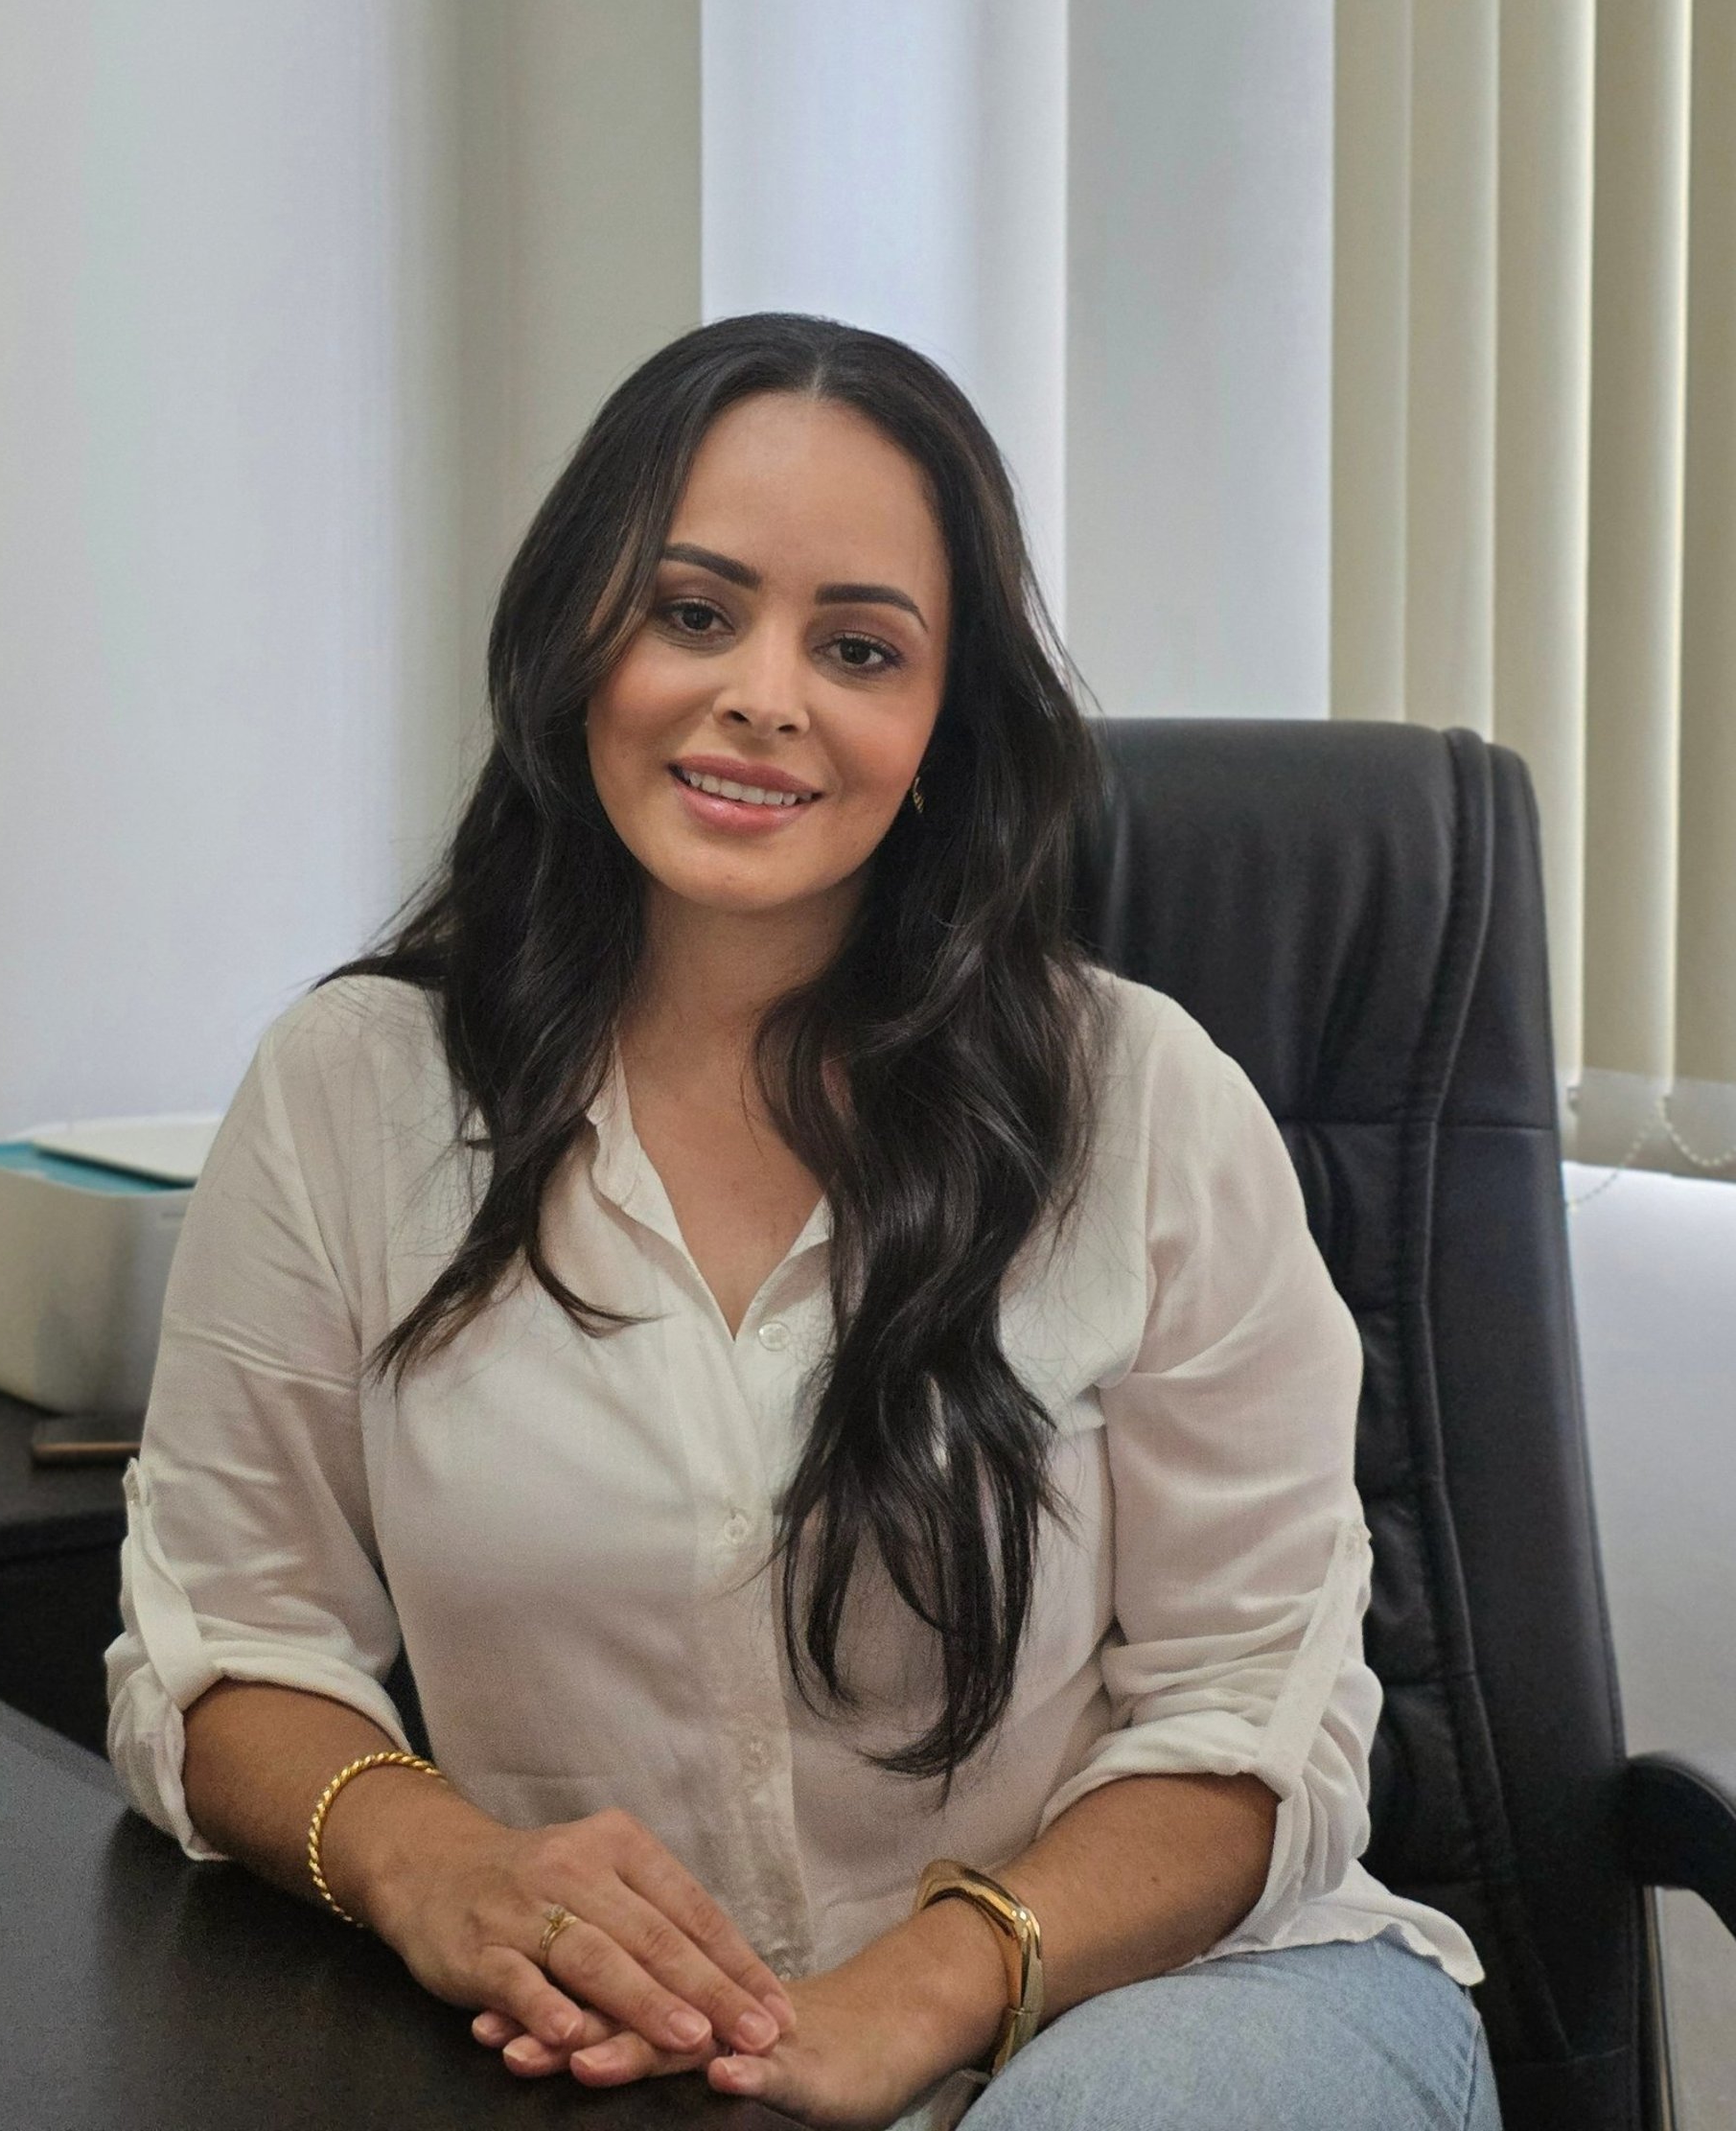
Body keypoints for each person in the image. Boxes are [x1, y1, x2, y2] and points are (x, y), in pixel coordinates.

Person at [104, 312, 1504, 2130]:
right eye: (694, 612)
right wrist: (431, 1859)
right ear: (575, 639)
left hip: (1170, 2007)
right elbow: (226, 1634)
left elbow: (1256, 1711)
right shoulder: (354, 1094)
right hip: (633, 2049)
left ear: (938, 723)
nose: (765, 693)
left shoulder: (1143, 1106)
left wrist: (923, 1986)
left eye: (857, 646)